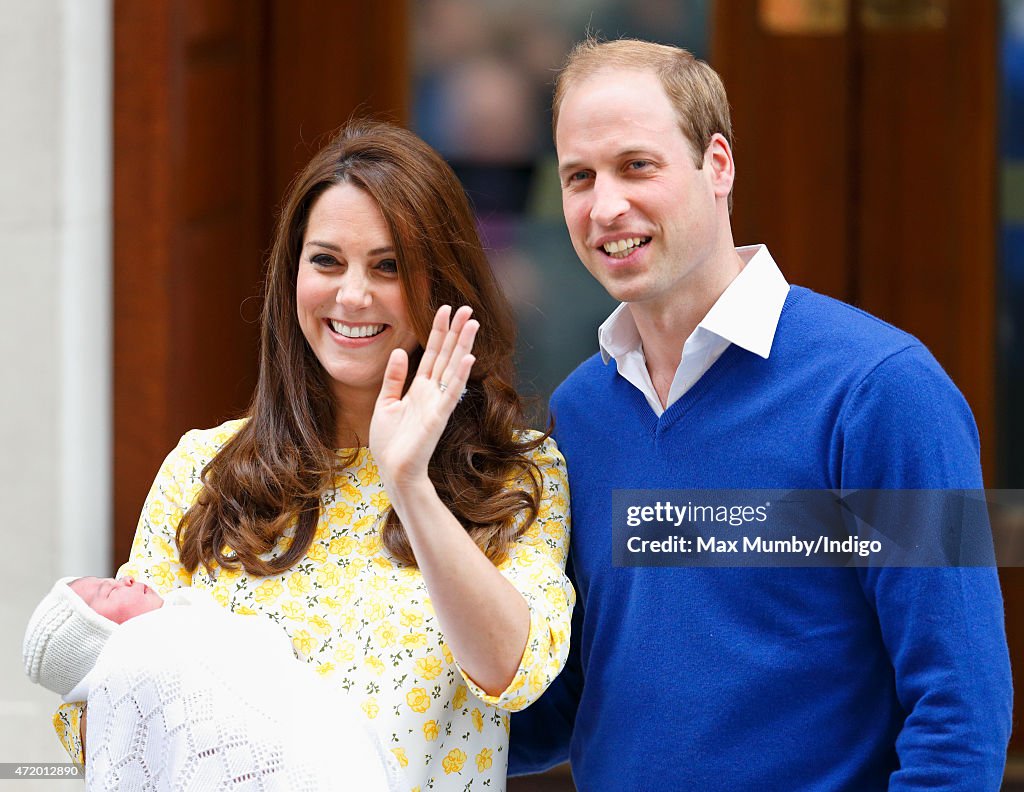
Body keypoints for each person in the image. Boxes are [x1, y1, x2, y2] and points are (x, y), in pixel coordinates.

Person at [508, 38, 1013, 790]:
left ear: (718, 164)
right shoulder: (581, 413)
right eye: (579, 176)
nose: (606, 204)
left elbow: (961, 710)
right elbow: (560, 711)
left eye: (636, 165)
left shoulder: (884, 392)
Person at [50, 119, 574, 791]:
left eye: (388, 266)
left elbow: (515, 673)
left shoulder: (517, 474)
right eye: (326, 261)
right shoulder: (202, 471)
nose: (352, 295)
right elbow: (104, 718)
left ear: (440, 284)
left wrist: (409, 482)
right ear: (292, 274)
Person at [25, 576, 402, 791]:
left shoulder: (193, 622)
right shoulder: (137, 660)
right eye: (107, 592)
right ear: (94, 639)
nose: (124, 577)